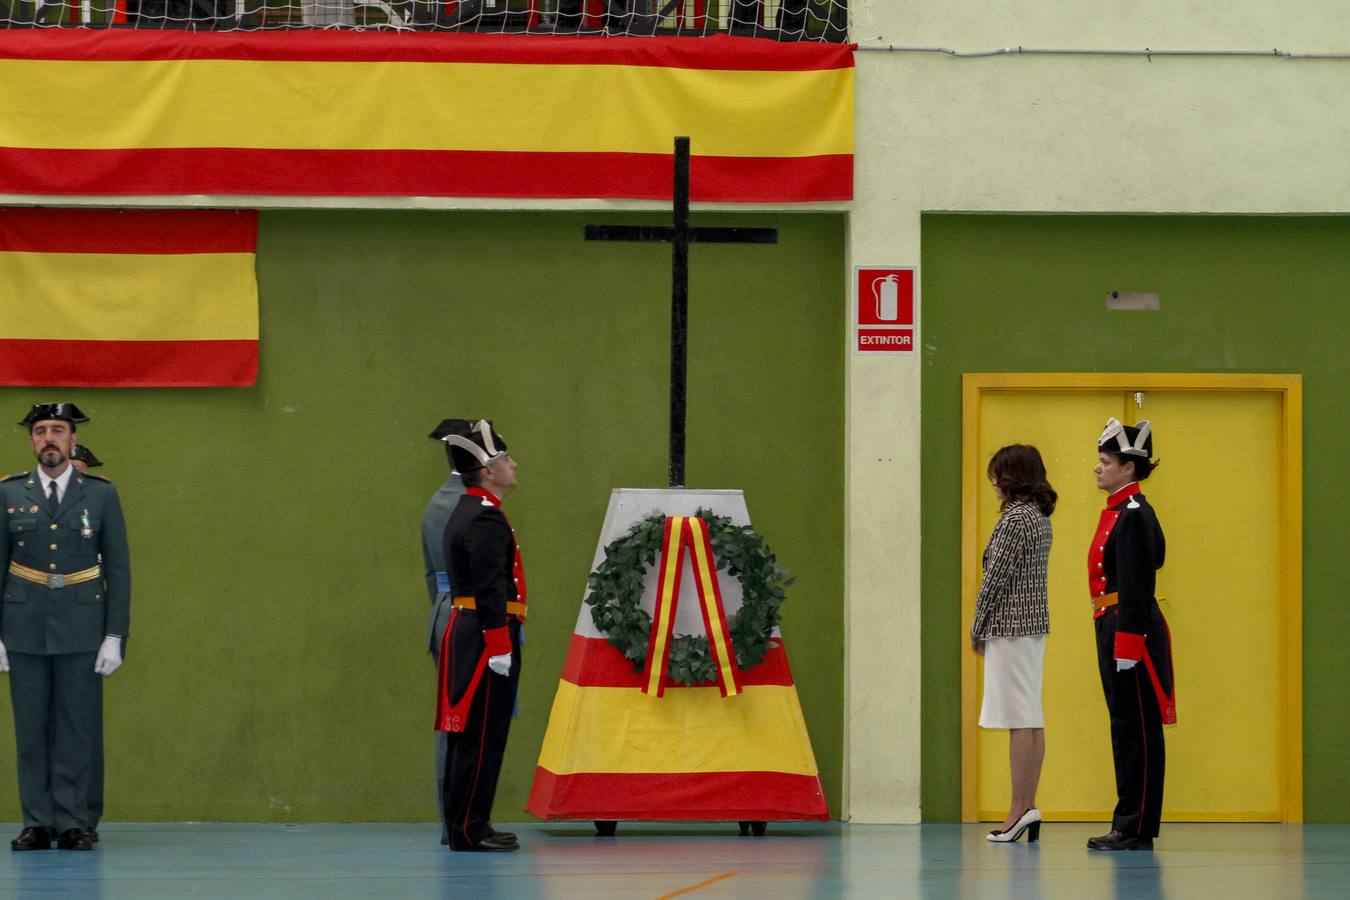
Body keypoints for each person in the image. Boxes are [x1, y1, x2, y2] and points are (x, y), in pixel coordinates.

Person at [0, 403, 131, 852]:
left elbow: (119, 568)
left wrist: (115, 635)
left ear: (73, 440)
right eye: (41, 431)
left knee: (77, 727)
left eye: (58, 430)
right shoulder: (9, 492)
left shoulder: (100, 494)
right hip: (23, 622)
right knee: (31, 728)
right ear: (32, 441)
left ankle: (76, 821)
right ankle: (37, 822)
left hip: (82, 623)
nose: (49, 438)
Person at [435, 419, 525, 852]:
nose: (513, 464)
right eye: (506, 458)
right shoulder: (485, 519)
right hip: (486, 634)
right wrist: (500, 645)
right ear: (488, 470)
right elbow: (490, 588)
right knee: (482, 735)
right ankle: (471, 829)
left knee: (471, 736)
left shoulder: (472, 510)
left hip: (471, 630)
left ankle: (464, 825)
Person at [1086, 418, 1173, 852]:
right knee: (1125, 726)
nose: (1097, 468)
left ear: (1128, 467)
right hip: (1113, 623)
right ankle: (1131, 823)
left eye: (1105, 462)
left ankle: (1133, 826)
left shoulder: (1135, 514)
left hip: (1127, 627)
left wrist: (1128, 643)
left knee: (1136, 728)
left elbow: (1140, 583)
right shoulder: (1122, 510)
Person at [971, 444, 1056, 844]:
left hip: (1010, 626)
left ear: (1010, 478)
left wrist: (977, 627)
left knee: (1018, 720)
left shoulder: (1015, 520)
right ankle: (1027, 805)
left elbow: (995, 580)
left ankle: (1017, 811)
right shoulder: (1039, 518)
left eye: (997, 476)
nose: (994, 484)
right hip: (1032, 627)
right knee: (1030, 717)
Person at [422, 420, 467, 845]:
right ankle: (456, 820)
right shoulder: (466, 503)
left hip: (446, 610)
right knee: (458, 722)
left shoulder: (440, 502)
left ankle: (455, 819)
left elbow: (430, 577)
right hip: (466, 617)